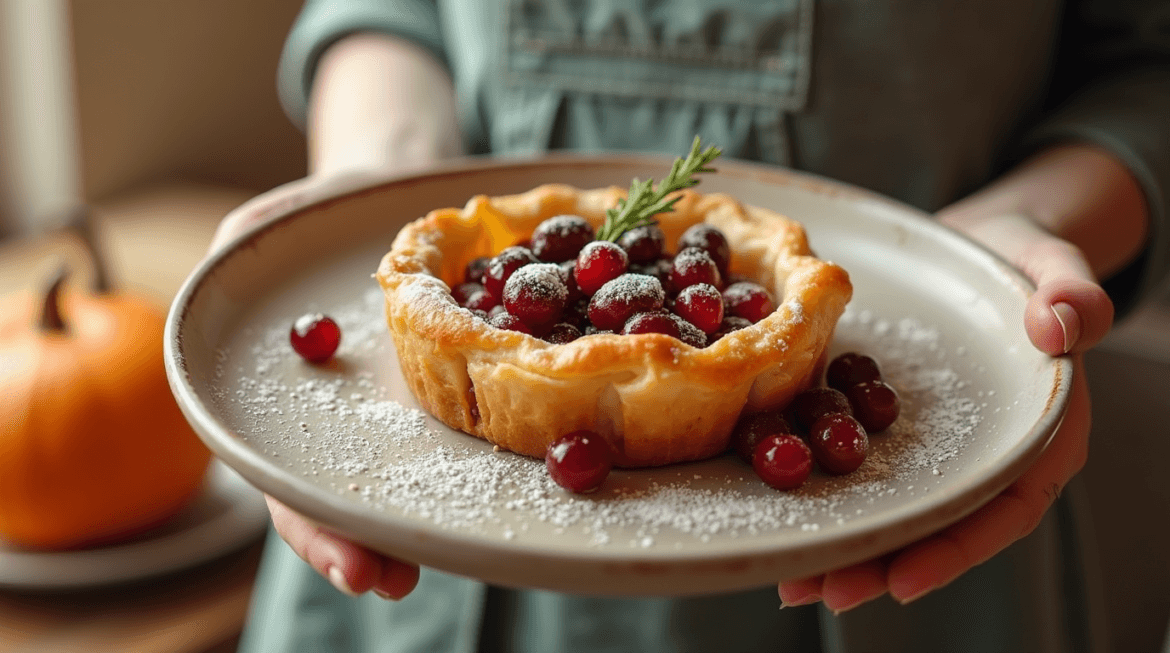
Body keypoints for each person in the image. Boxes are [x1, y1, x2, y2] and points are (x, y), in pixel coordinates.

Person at [217, 1, 1169, 651]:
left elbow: (1145, 61)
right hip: (416, 520)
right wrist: (380, 172)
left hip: (915, 516)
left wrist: (1026, 226)